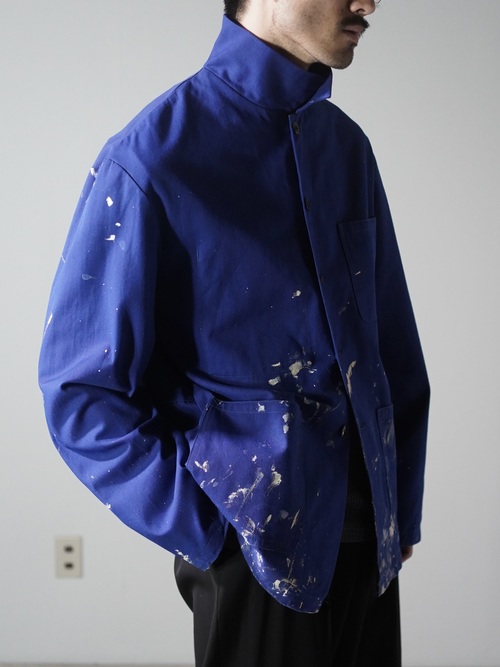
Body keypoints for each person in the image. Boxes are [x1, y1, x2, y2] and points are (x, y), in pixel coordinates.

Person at [39, 0, 430, 665]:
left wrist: (401, 504)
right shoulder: (152, 159)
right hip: (253, 552)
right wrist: (212, 531)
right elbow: (81, 394)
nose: (368, 2)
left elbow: (391, 346)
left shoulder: (347, 150)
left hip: (369, 548)